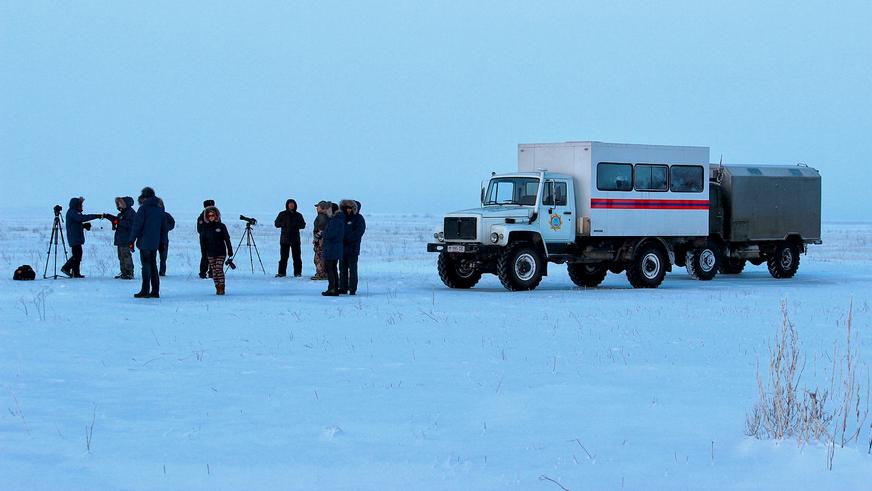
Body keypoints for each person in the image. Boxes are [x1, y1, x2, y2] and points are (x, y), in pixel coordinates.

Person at [129, 187, 168, 298]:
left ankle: (145, 291)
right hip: (155, 243)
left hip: (144, 243)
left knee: (146, 267)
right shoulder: (160, 210)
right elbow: (164, 229)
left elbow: (137, 226)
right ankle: (155, 291)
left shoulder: (143, 209)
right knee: (153, 266)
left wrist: (131, 240)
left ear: (144, 198)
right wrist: (162, 242)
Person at [61, 197, 107, 278]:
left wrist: (83, 226)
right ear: (76, 205)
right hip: (74, 238)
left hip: (76, 237)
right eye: (80, 204)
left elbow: (76, 223)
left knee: (77, 255)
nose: (81, 206)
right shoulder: (72, 212)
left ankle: (76, 273)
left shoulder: (74, 212)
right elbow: (81, 219)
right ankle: (66, 268)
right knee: (77, 255)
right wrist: (96, 216)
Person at [200, 205, 233, 295]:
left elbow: (227, 238)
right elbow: (203, 241)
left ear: (216, 216)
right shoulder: (205, 228)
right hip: (210, 252)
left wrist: (230, 250)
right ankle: (217, 287)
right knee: (214, 271)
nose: (211, 217)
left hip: (220, 252)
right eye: (209, 216)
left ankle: (222, 287)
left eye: (213, 215)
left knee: (219, 269)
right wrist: (204, 252)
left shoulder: (221, 226)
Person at [338, 199, 366, 295]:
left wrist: (348, 239)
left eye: (350, 208)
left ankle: (353, 288)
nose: (348, 210)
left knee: (353, 269)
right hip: (342, 248)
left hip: (353, 248)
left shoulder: (359, 218)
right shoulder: (342, 218)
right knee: (342, 269)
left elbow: (359, 232)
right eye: (347, 207)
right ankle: (343, 287)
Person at [273, 199, 306, 277]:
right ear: (287, 205)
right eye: (290, 204)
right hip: (285, 239)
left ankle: (298, 273)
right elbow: (276, 223)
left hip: (295, 240)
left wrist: (296, 224)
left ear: (295, 205)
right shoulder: (282, 214)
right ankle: (281, 273)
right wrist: (284, 224)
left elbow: (303, 225)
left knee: (297, 258)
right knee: (283, 258)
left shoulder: (298, 215)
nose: (291, 205)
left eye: (293, 204)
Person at [108, 196, 136, 279]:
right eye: (118, 204)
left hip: (126, 238)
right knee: (121, 256)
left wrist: (119, 222)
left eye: (120, 203)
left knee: (126, 256)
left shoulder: (131, 213)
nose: (118, 205)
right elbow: (117, 220)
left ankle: (129, 273)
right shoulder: (122, 213)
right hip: (121, 238)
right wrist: (108, 216)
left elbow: (131, 224)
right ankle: (123, 272)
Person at [321, 203, 344, 296]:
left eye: (328, 210)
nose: (327, 211)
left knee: (330, 268)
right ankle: (334, 288)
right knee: (333, 268)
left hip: (332, 248)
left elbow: (330, 234)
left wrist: (323, 233)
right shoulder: (338, 219)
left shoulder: (335, 221)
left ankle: (332, 289)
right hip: (335, 248)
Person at [311, 201, 330, 280]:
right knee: (323, 257)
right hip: (325, 240)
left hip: (321, 241)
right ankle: (324, 273)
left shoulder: (321, 216)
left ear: (322, 207)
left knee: (318, 258)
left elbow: (321, 229)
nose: (316, 208)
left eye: (318, 207)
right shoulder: (327, 216)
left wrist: (316, 239)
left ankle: (320, 274)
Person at [156, 198, 175, 276]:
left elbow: (172, 223)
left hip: (163, 240)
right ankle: (152, 271)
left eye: (160, 205)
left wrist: (166, 228)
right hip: (153, 240)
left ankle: (162, 272)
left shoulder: (166, 215)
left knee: (163, 258)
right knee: (152, 257)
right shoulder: (152, 215)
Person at [197, 199, 215, 279]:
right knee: (205, 256)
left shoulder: (216, 216)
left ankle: (212, 272)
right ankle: (203, 273)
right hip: (205, 239)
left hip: (215, 239)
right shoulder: (201, 217)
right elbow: (199, 229)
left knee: (214, 255)